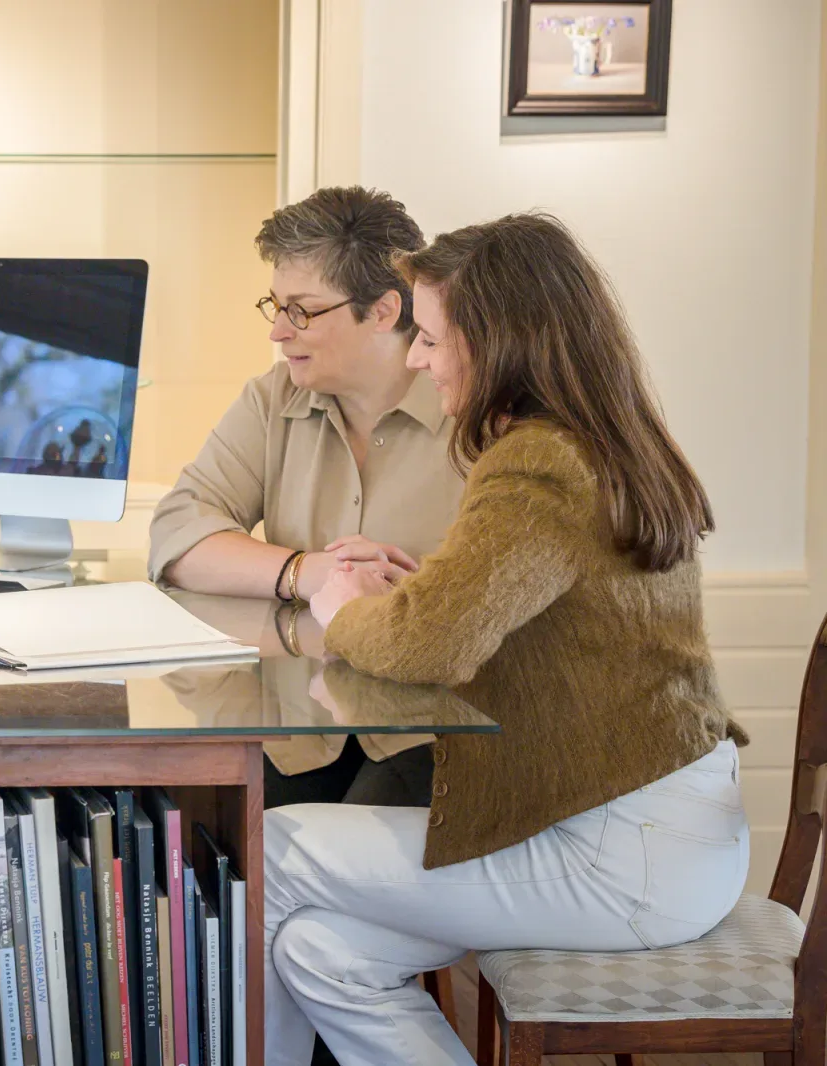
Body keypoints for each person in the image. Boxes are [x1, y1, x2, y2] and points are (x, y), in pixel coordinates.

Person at [263, 213, 749, 1066]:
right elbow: (520, 622)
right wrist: (426, 600)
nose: (417, 358)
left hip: (619, 859)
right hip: (655, 837)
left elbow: (428, 650)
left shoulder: (539, 462)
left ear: (502, 342)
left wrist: (341, 601)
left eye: (434, 337)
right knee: (320, 951)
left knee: (268, 847)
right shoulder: (597, 443)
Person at [148, 187, 463, 815]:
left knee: (314, 857)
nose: (277, 329)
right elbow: (178, 532)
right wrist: (311, 572)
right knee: (180, 822)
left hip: (441, 733)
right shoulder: (273, 400)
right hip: (299, 726)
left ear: (382, 310)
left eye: (302, 311)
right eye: (276, 305)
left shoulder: (474, 412)